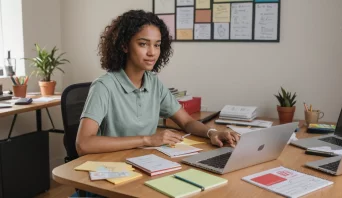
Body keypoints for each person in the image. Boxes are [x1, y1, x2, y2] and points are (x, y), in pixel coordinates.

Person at [76, 10, 240, 156]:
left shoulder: (153, 82)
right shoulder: (104, 86)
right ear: (124, 45)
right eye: (143, 44)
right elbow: (83, 144)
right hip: (111, 170)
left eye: (157, 45)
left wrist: (212, 133)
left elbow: (187, 122)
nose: (152, 52)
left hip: (146, 164)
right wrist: (147, 140)